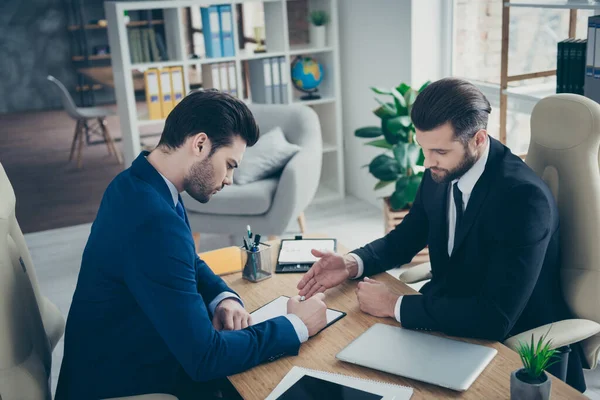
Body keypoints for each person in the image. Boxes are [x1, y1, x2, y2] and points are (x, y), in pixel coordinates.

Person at [297, 78, 586, 392]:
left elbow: (494, 317)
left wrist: (395, 305)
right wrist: (352, 264)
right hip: (445, 321)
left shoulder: (524, 200)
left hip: (506, 349)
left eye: (438, 150)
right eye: (423, 147)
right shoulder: (443, 168)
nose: (426, 161)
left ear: (478, 139)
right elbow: (406, 237)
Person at [55, 89, 328, 400]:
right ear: (200, 144)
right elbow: (205, 358)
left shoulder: (140, 183)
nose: (229, 179)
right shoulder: (152, 219)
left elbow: (186, 260)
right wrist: (296, 325)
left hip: (115, 356)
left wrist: (223, 297)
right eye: (230, 164)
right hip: (120, 382)